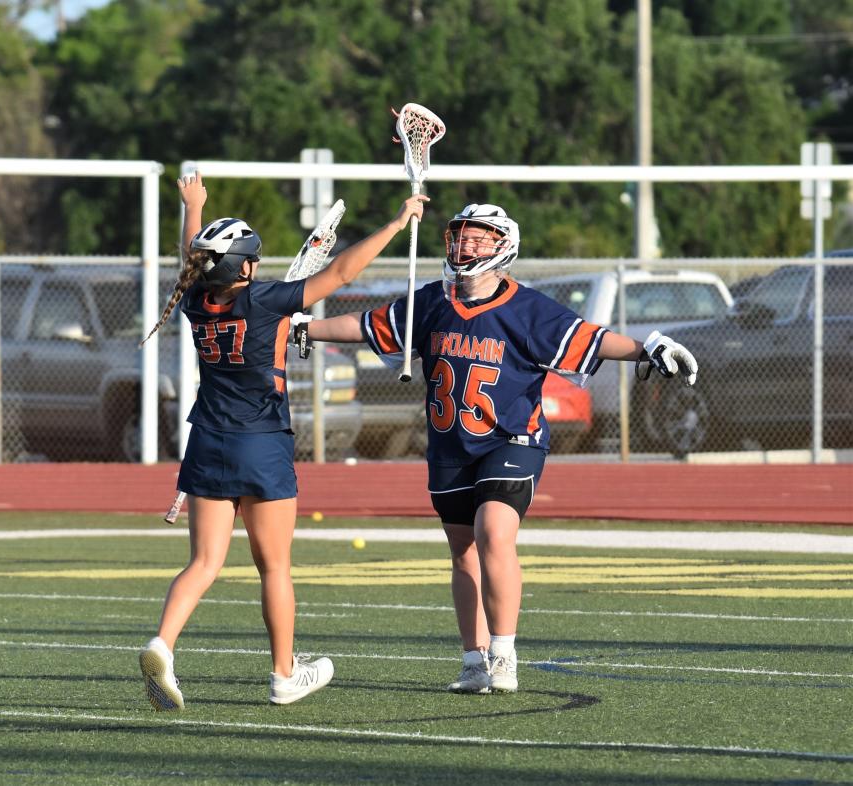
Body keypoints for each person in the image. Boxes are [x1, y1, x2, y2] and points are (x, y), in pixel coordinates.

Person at [296, 203, 697, 694]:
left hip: (512, 439)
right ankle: (473, 659)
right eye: (462, 236)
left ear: (503, 244)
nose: (467, 245)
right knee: (463, 552)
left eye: (479, 238)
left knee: (493, 532)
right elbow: (367, 326)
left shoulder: (527, 309)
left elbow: (589, 339)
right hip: (449, 446)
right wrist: (304, 328)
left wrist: (648, 346)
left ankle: (504, 653)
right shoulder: (431, 302)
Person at [138, 171, 428, 709]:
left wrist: (192, 208)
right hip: (261, 441)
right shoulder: (267, 301)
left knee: (203, 563)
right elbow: (342, 271)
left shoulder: (195, 298)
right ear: (243, 265)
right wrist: (397, 221)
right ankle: (282, 675)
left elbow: (193, 257)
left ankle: (163, 643)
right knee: (274, 567)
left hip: (206, 441)